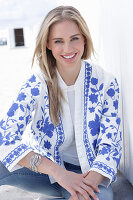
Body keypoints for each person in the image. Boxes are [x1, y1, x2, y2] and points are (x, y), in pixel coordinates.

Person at [0, 5, 122, 200]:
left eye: (74, 38)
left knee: (100, 198)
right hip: (44, 172)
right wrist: (59, 173)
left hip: (88, 175)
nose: (67, 49)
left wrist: (80, 189)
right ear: (47, 44)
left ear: (84, 38)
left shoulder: (106, 82)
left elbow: (111, 146)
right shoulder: (37, 83)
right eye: (58, 41)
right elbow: (4, 136)